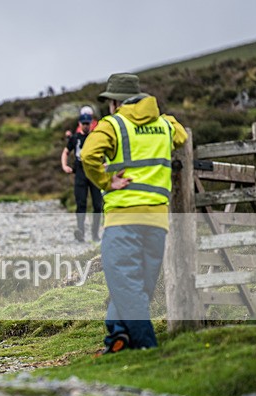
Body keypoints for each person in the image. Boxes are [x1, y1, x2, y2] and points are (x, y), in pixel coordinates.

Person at [81, 73, 187, 354]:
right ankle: (118, 337)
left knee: (125, 282)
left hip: (124, 218)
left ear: (115, 101)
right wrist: (165, 118)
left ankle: (146, 346)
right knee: (137, 284)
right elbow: (182, 134)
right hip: (157, 220)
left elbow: (88, 155)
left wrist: (106, 181)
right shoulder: (164, 124)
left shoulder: (113, 125)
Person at [61, 108, 103, 242]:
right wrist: (65, 165)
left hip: (95, 172)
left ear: (91, 123)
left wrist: (106, 164)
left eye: (87, 123)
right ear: (80, 124)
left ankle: (95, 233)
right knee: (81, 203)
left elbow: (105, 151)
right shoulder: (75, 138)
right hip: (80, 172)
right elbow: (66, 152)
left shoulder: (96, 137)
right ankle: (80, 232)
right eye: (83, 123)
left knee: (97, 204)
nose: (86, 126)